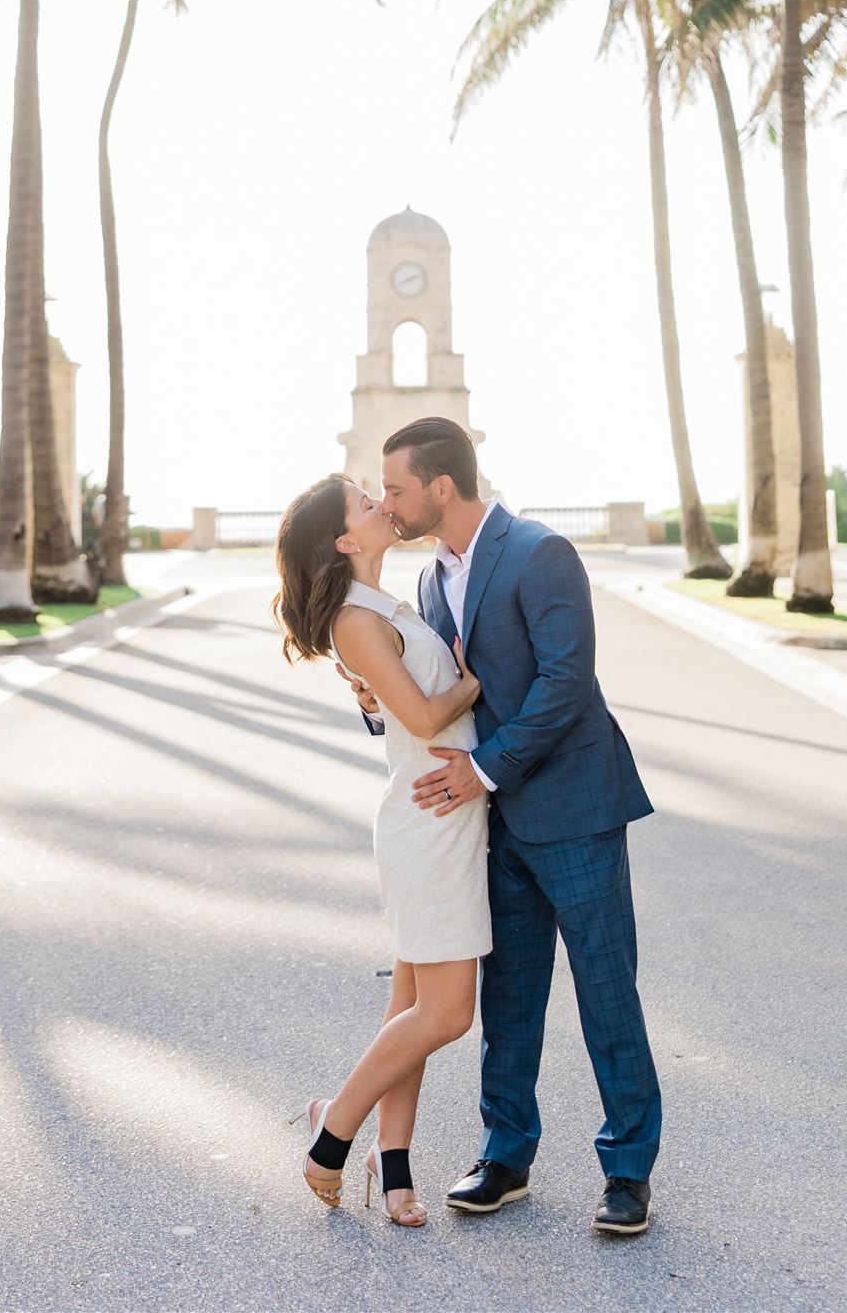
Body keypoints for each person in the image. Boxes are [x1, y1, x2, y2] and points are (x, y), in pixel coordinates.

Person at [343, 416, 662, 1238]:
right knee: (509, 1000)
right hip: (489, 826)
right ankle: (504, 1154)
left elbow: (565, 680)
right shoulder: (426, 583)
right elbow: (443, 699)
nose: (389, 501)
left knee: (604, 994)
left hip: (574, 808)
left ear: (440, 488)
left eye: (399, 489)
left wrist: (485, 770)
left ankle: (626, 1171)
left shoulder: (539, 552)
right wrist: (381, 707)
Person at [273, 473, 493, 1227]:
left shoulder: (390, 603)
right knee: (445, 1015)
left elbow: (393, 709)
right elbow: (429, 715)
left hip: (447, 818)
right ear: (344, 539)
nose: (384, 506)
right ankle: (332, 1131)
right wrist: (472, 680)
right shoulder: (355, 619)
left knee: (410, 1007)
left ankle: (391, 1161)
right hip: (426, 824)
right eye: (368, 504)